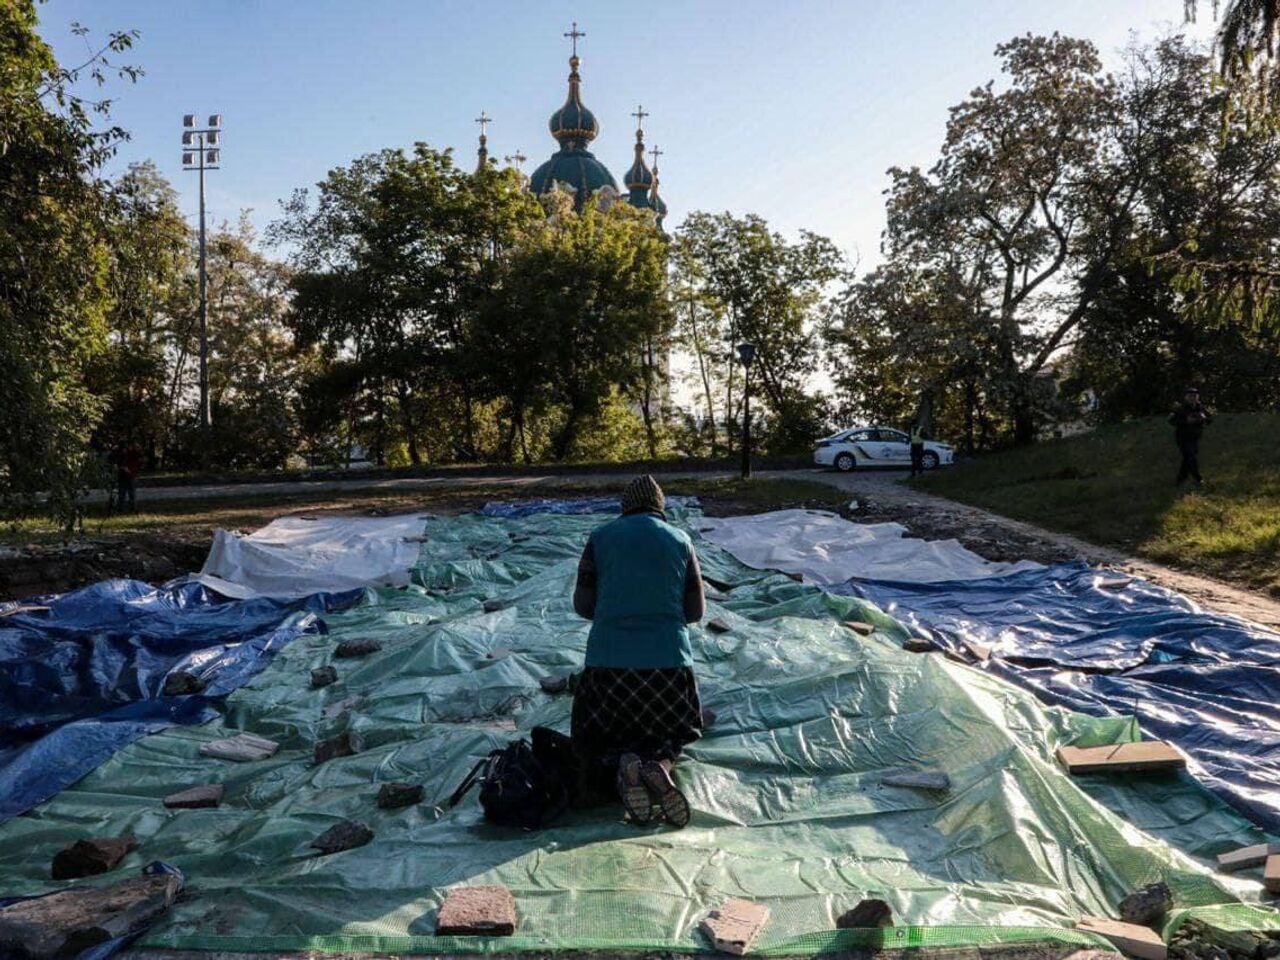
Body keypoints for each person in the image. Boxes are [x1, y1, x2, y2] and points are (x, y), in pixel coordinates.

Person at [571, 475, 705, 828]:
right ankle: (660, 766)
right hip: (669, 670)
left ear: (624, 507)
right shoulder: (680, 540)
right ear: (660, 508)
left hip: (608, 670)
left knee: (600, 735)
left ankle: (625, 762)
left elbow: (583, 605)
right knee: (673, 733)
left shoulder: (600, 538)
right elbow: (695, 612)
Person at [1169, 387, 1212, 487]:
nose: (1193, 398)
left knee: (1187, 458)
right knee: (1191, 456)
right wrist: (1186, 422)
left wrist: (1204, 418)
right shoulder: (1180, 409)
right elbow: (1171, 421)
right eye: (1190, 396)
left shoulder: (1200, 407)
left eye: (1195, 396)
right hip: (1182, 437)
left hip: (1195, 437)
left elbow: (1210, 419)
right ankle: (1198, 478)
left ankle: (1180, 479)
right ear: (1186, 397)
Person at [111, 441, 143, 512]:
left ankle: (129, 507)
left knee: (127, 492)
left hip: (129, 474)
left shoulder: (132, 454)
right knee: (126, 492)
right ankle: (125, 507)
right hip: (126, 474)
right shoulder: (126, 454)